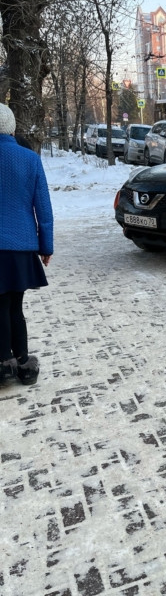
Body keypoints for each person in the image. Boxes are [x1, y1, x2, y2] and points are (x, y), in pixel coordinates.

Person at [0, 103, 53, 386]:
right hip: (20, 245)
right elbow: (42, 208)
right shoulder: (29, 159)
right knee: (15, 306)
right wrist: (46, 246)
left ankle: (2, 362)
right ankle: (23, 362)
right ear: (13, 128)